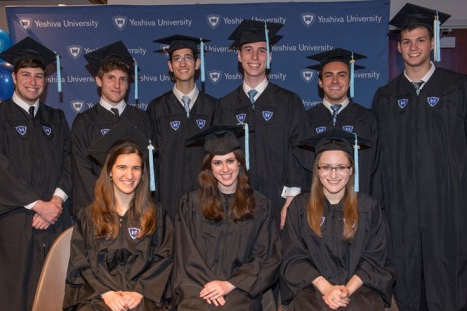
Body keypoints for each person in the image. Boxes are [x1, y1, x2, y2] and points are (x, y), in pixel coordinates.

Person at [372, 4, 467, 311]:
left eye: (420, 40)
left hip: (451, 208)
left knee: (456, 282)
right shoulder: (386, 96)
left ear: (432, 44)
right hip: (403, 210)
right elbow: (379, 159)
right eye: (407, 41)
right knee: (411, 282)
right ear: (398, 47)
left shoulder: (457, 88)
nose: (413, 47)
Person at [25, 133, 173, 311]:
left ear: (143, 174)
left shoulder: (156, 215)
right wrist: (107, 293)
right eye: (122, 167)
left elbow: (164, 258)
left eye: (136, 168)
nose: (129, 175)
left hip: (142, 300)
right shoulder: (89, 215)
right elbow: (80, 263)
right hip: (98, 299)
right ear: (110, 172)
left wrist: (139, 292)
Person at [0, 37, 72, 311]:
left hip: (53, 224)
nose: (33, 82)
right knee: (14, 308)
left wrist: (57, 202)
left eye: (39, 76)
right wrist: (38, 205)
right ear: (14, 78)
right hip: (13, 225)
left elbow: (69, 163)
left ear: (45, 81)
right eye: (26, 75)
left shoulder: (56, 119)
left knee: (51, 305)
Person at [280, 128, 397, 311]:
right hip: (313, 291)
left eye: (341, 167)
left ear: (351, 170)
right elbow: (293, 257)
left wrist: (346, 290)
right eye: (326, 167)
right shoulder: (300, 208)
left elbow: (377, 257)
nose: (334, 174)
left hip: (360, 291)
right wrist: (327, 288)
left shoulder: (368, 207)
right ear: (317, 170)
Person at [168, 125, 281, 311]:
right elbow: (184, 255)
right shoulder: (191, 203)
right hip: (198, 292)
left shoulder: (258, 204)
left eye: (230, 161)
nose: (225, 169)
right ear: (209, 167)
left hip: (240, 294)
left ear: (240, 163)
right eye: (217, 163)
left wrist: (229, 284)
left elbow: (266, 256)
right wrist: (210, 287)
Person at [213, 19, 306, 229]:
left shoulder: (289, 101)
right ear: (239, 56)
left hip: (280, 199)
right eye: (248, 50)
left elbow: (299, 151)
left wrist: (292, 198)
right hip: (236, 200)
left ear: (270, 56)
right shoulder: (225, 105)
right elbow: (217, 157)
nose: (255, 57)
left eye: (262, 51)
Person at [71, 40, 154, 215]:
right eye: (111, 78)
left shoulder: (142, 119)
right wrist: (108, 203)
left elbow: (148, 167)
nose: (117, 85)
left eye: (123, 79)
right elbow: (81, 169)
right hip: (98, 208)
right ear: (98, 80)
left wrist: (133, 203)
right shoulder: (84, 121)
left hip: (136, 209)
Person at [148, 34, 216, 219]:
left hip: (206, 198)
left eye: (188, 57)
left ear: (197, 63)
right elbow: (152, 160)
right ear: (170, 66)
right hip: (168, 199)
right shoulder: (157, 108)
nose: (183, 64)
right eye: (177, 59)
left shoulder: (213, 107)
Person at [299, 49, 380, 199]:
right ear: (320, 82)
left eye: (341, 75)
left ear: (350, 81)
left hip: (357, 202)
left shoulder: (367, 119)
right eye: (329, 75)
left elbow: (375, 168)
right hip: (316, 204)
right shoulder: (305, 120)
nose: (335, 81)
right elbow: (301, 169)